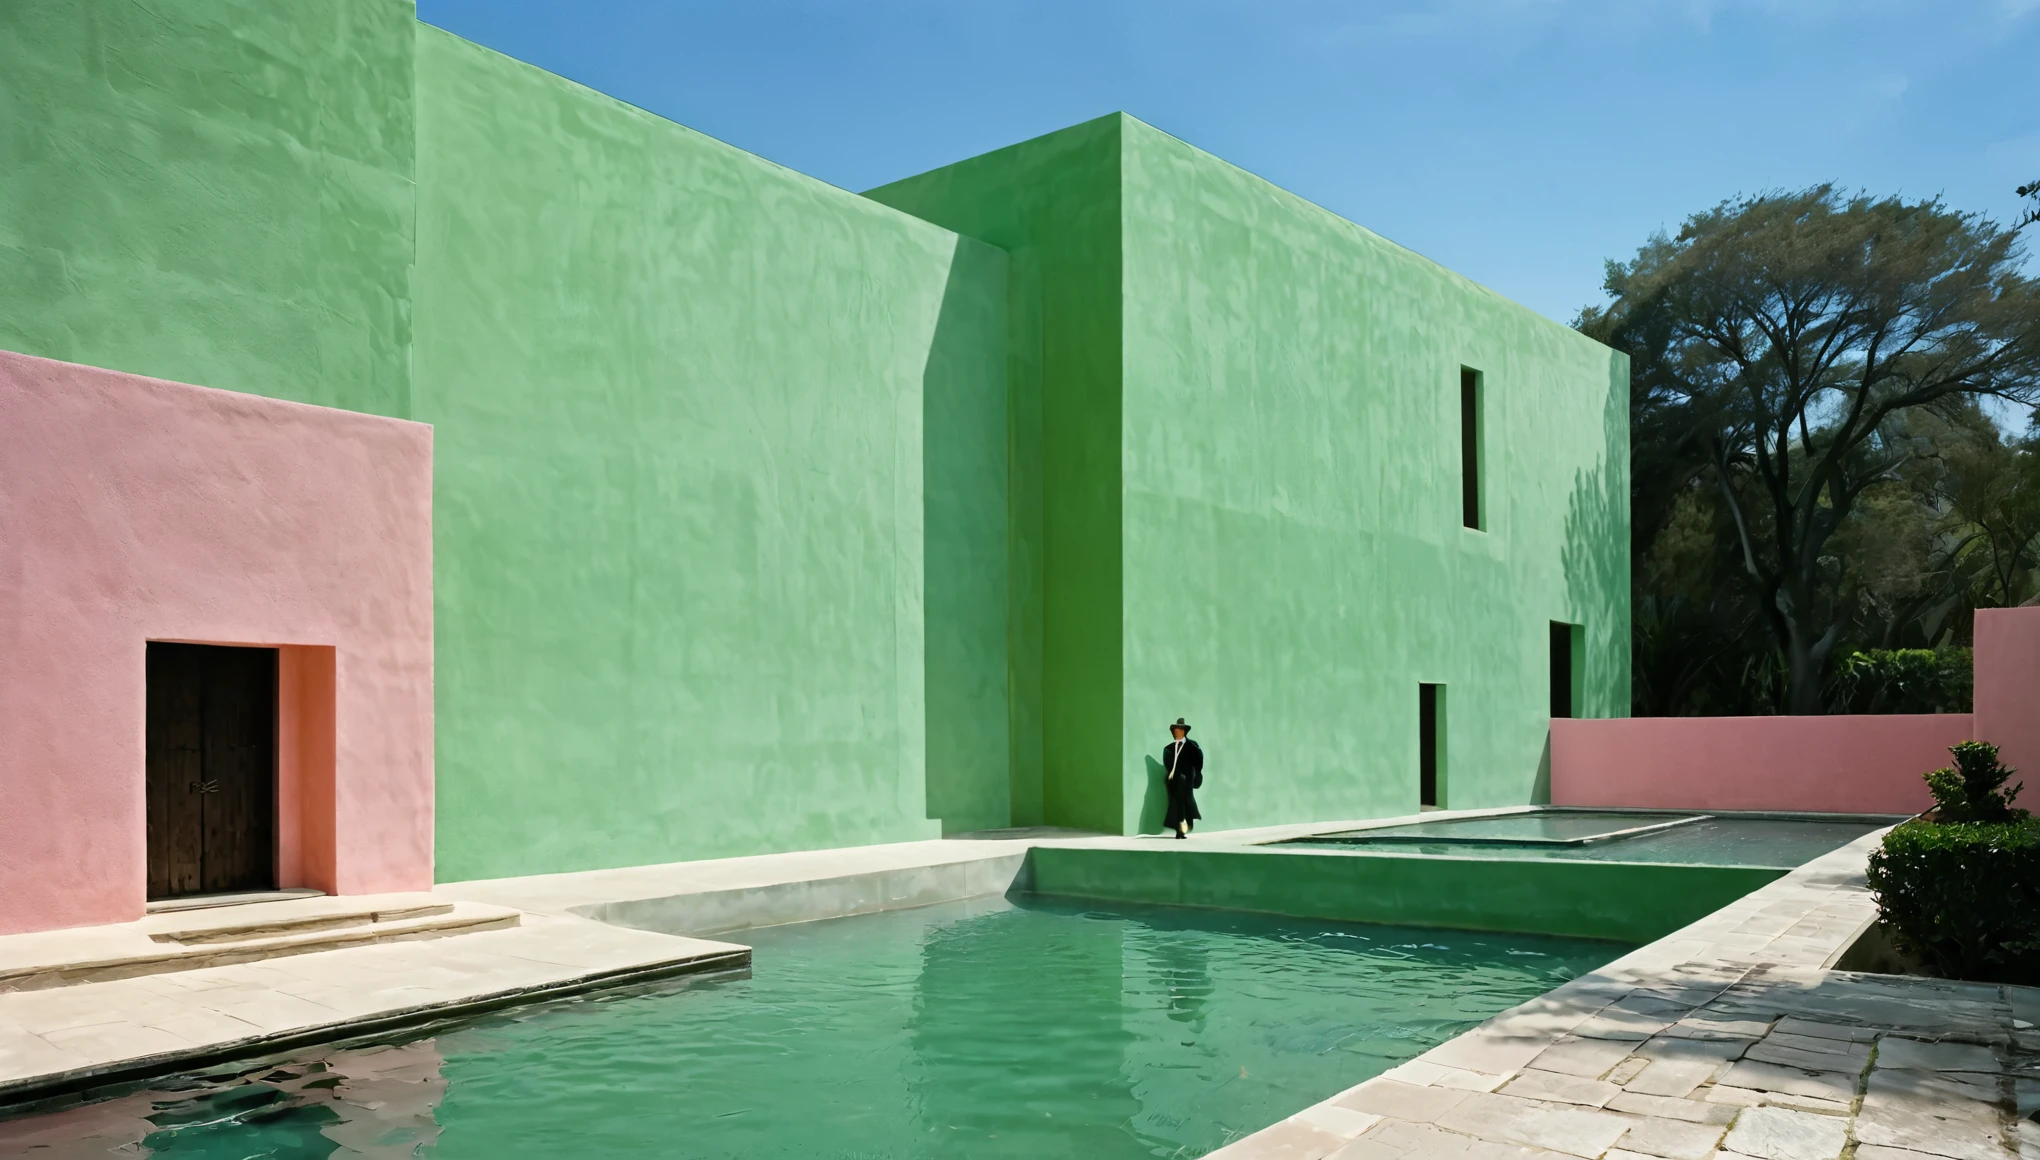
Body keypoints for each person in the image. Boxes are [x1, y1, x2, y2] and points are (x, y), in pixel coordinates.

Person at [1162, 717, 1203, 839]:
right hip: (1174, 783)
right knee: (1177, 807)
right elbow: (1168, 763)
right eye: (1175, 730)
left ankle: (1182, 830)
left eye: (1180, 730)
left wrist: (1195, 776)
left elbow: (1198, 762)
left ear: (1184, 731)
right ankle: (1180, 830)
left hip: (1186, 782)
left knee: (1184, 806)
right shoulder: (1169, 748)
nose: (1177, 733)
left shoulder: (1192, 747)